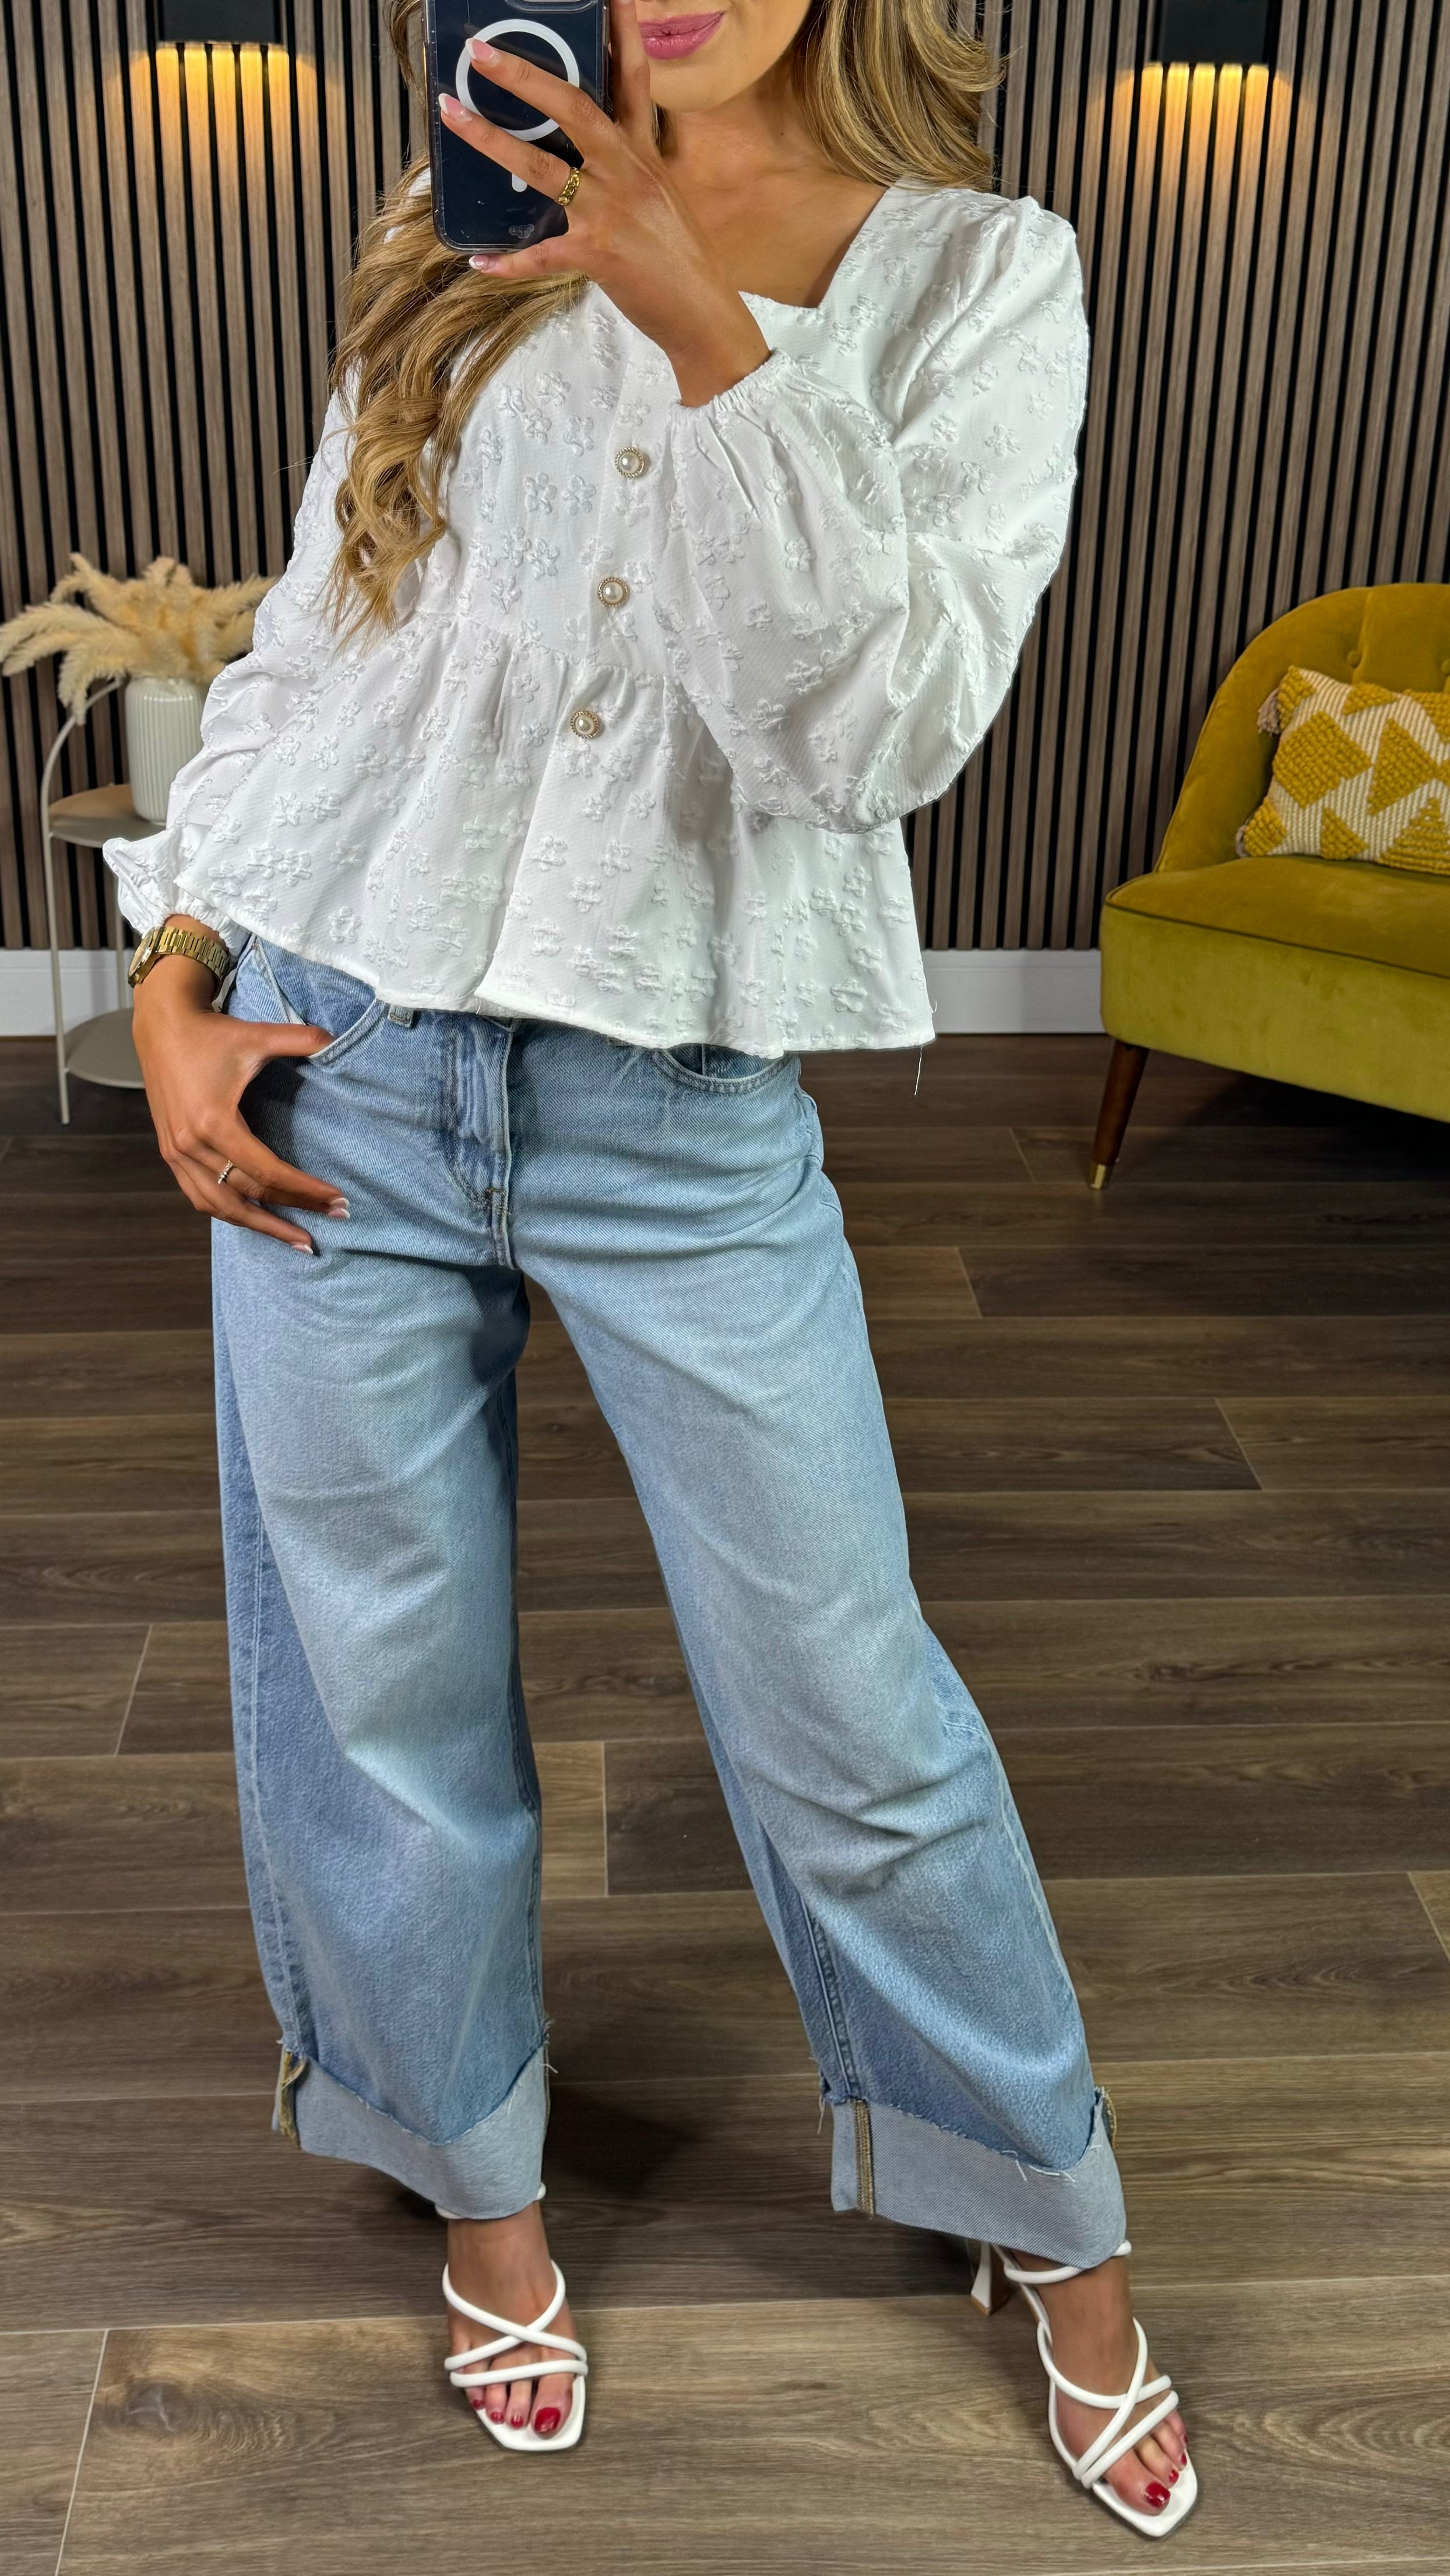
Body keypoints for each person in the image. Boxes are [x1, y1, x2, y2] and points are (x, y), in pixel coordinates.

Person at [108, 0, 1195, 2534]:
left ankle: (1048, 2218)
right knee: (378, 1683)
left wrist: (699, 317)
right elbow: (323, 641)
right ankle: (480, 2198)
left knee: (845, 1702)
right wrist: (174, 955)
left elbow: (874, 739)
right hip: (342, 1052)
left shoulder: (978, 277)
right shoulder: (456, 229)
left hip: (679, 1095)